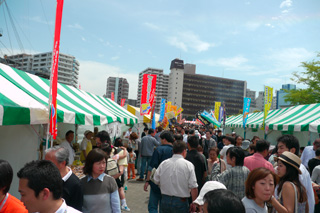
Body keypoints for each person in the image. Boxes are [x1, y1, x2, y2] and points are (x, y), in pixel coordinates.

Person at [153, 140, 198, 213]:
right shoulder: (188, 165)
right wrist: (194, 203)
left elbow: (156, 179)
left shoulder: (164, 163)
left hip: (165, 199)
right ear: (184, 151)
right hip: (181, 201)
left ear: (173, 151)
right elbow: (193, 187)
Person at [276, 134, 315, 213]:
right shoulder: (299, 173)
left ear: (292, 150)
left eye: (281, 147)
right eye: (278, 148)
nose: (278, 151)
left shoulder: (291, 181)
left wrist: (272, 199)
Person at [81, 148, 120, 213]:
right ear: (90, 164)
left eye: (104, 163)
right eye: (98, 163)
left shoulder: (110, 181)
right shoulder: (82, 182)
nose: (102, 166)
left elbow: (116, 206)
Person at [144, 130, 174, 213]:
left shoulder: (158, 150)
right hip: (169, 182)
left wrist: (147, 180)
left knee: (153, 206)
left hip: (156, 181)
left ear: (164, 139)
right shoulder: (174, 151)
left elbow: (151, 167)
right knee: (163, 206)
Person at [45, 146, 83, 211]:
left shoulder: (75, 184)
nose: (45, 166)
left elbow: (76, 209)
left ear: (62, 163)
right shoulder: (45, 178)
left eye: (49, 163)